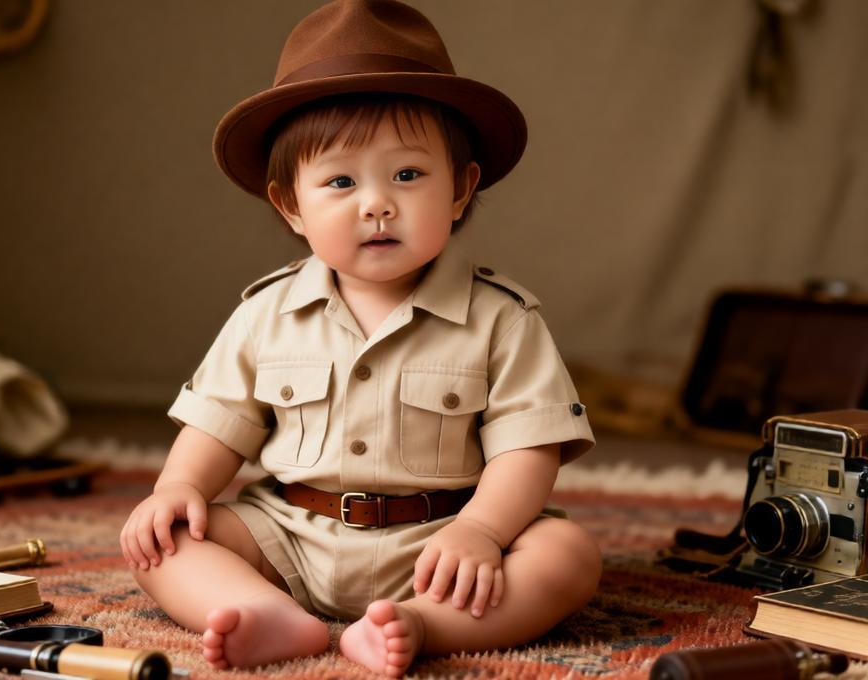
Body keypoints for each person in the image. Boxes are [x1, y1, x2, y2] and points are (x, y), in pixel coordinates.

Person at [119, 1, 601, 676]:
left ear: (461, 190)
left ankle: (420, 627)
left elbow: (529, 447)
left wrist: (482, 531)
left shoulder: (502, 319)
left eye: (408, 175)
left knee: (567, 557)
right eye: (340, 181)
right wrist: (178, 485)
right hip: (289, 534)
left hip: (444, 543)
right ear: (291, 206)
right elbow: (219, 424)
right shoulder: (268, 313)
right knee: (163, 540)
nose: (376, 203)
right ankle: (262, 610)